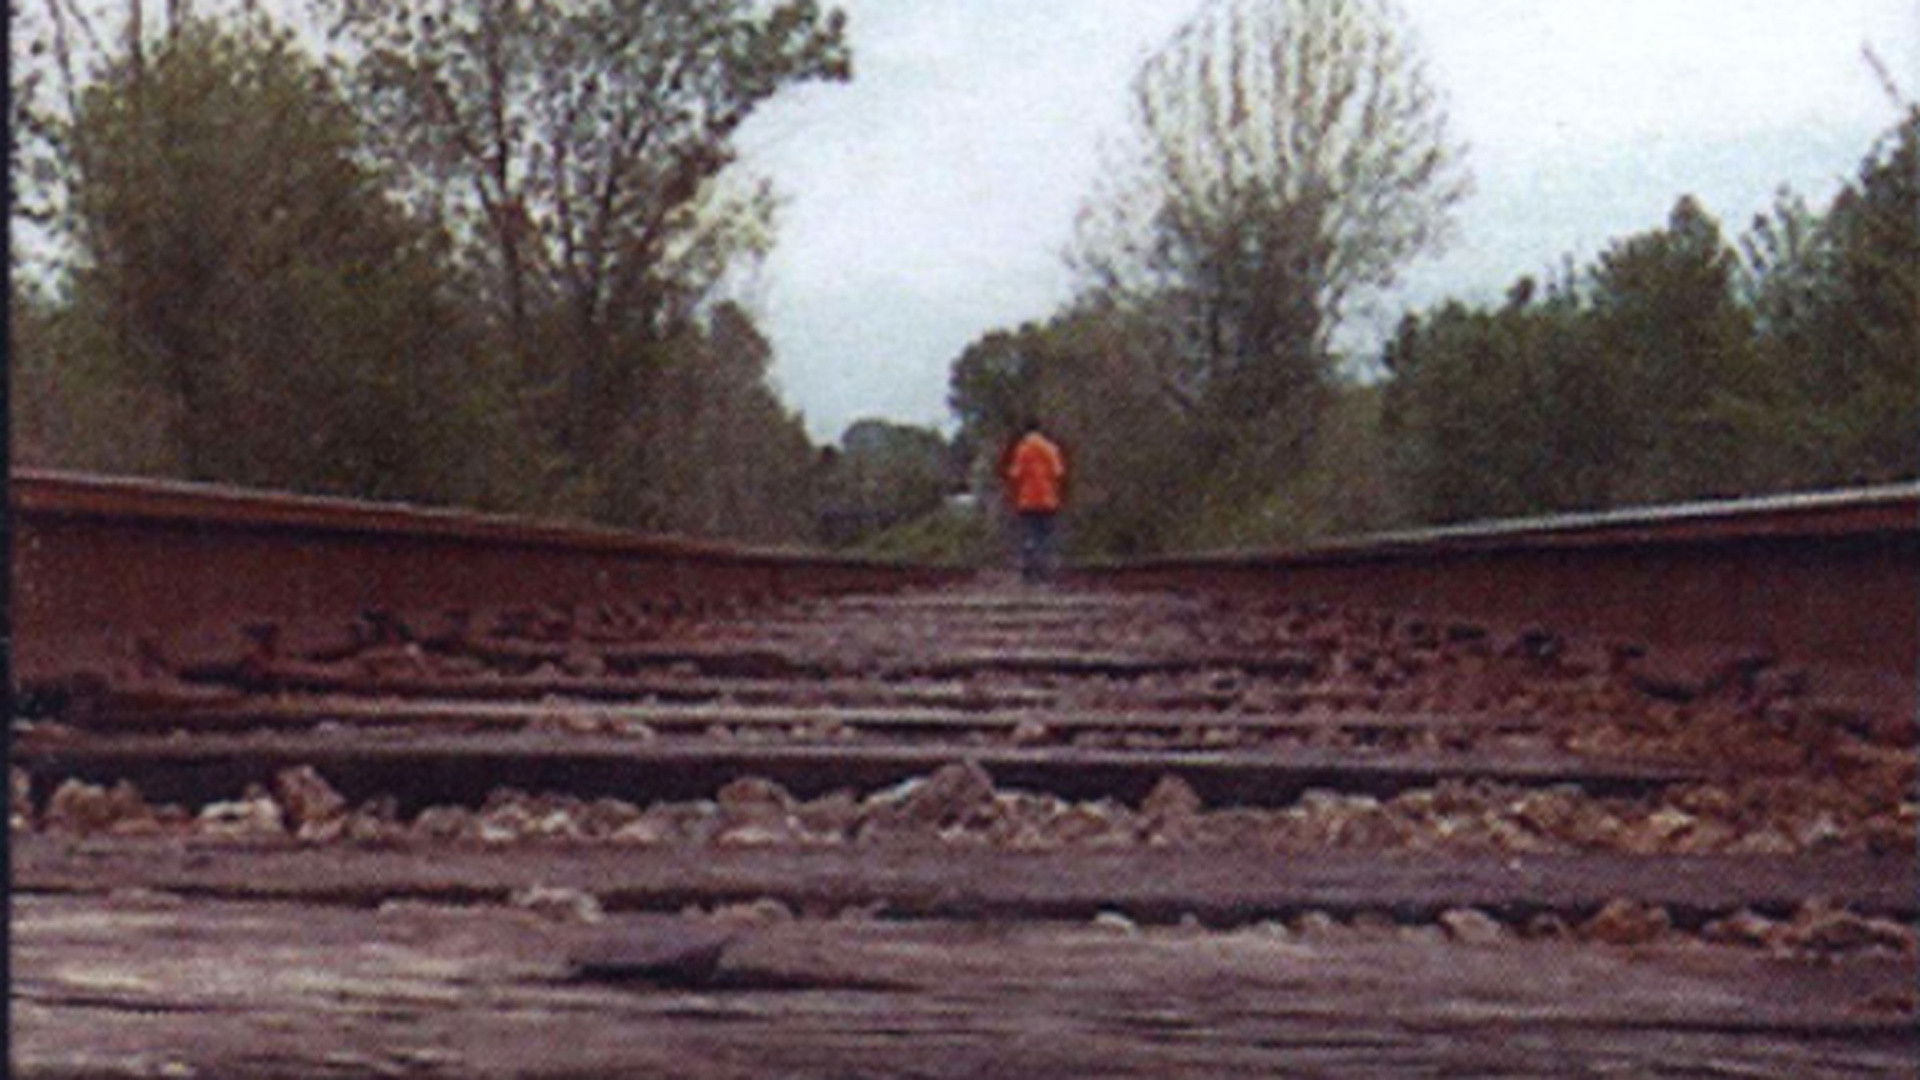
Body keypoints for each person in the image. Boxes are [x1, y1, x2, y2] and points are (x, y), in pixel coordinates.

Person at [1002, 418, 1067, 582]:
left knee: (1029, 535)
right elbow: (1058, 472)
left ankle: (1029, 571)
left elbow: (1015, 474)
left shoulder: (1022, 449)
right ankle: (1045, 571)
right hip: (1048, 499)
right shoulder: (1050, 448)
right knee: (1045, 537)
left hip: (1027, 500)